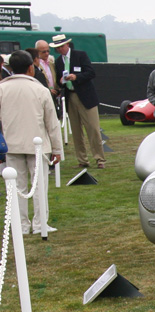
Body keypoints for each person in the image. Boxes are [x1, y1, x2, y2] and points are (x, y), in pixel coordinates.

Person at [0, 50, 63, 235]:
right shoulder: (41, 90)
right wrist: (57, 149)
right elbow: (52, 123)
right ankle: (39, 224)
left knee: (17, 187)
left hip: (12, 145)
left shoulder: (2, 89)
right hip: (37, 146)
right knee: (38, 187)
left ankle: (21, 225)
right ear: (30, 68)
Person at [51, 34, 104, 169]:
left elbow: (91, 73)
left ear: (67, 45)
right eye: (57, 48)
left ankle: (99, 159)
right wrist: (61, 82)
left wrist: (76, 77)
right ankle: (82, 160)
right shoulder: (58, 62)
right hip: (71, 97)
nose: (60, 50)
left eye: (61, 46)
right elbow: (58, 80)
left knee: (93, 129)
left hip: (86, 97)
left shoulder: (80, 55)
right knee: (76, 130)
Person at [33, 40, 61, 118]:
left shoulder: (52, 64)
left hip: (53, 97)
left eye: (48, 51)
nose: (47, 54)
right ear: (37, 52)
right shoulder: (35, 66)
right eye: (44, 52)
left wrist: (57, 89)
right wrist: (48, 90)